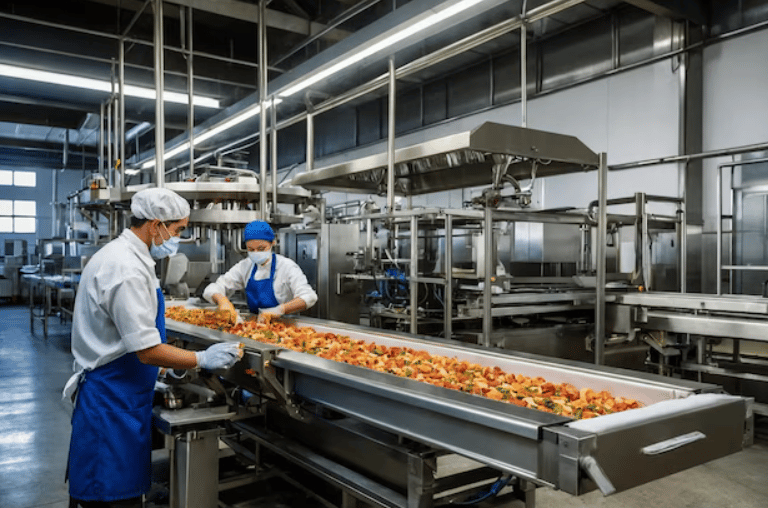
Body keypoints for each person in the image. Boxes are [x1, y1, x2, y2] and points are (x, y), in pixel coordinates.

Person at [64, 187, 243, 508]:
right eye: (178, 230)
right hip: (110, 404)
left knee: (118, 494)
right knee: (109, 497)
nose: (178, 238)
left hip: (120, 394)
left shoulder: (126, 257)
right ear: (156, 224)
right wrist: (200, 358)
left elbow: (120, 341)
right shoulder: (126, 268)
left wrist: (168, 365)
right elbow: (145, 349)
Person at [204, 220, 318, 323]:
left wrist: (280, 310)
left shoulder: (287, 267)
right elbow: (214, 287)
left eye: (261, 249)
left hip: (285, 326)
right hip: (255, 325)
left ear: (272, 243)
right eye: (251, 249)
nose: (256, 252)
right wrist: (223, 301)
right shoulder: (245, 265)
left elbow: (309, 296)